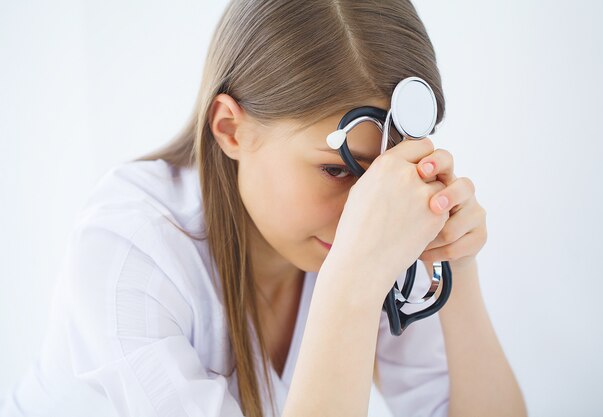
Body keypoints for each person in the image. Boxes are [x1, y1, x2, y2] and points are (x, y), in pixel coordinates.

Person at [0, 1, 527, 416]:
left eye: (387, 178)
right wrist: (352, 280)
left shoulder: (366, 245)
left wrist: (453, 259)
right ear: (231, 128)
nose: (366, 213)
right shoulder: (126, 250)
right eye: (338, 168)